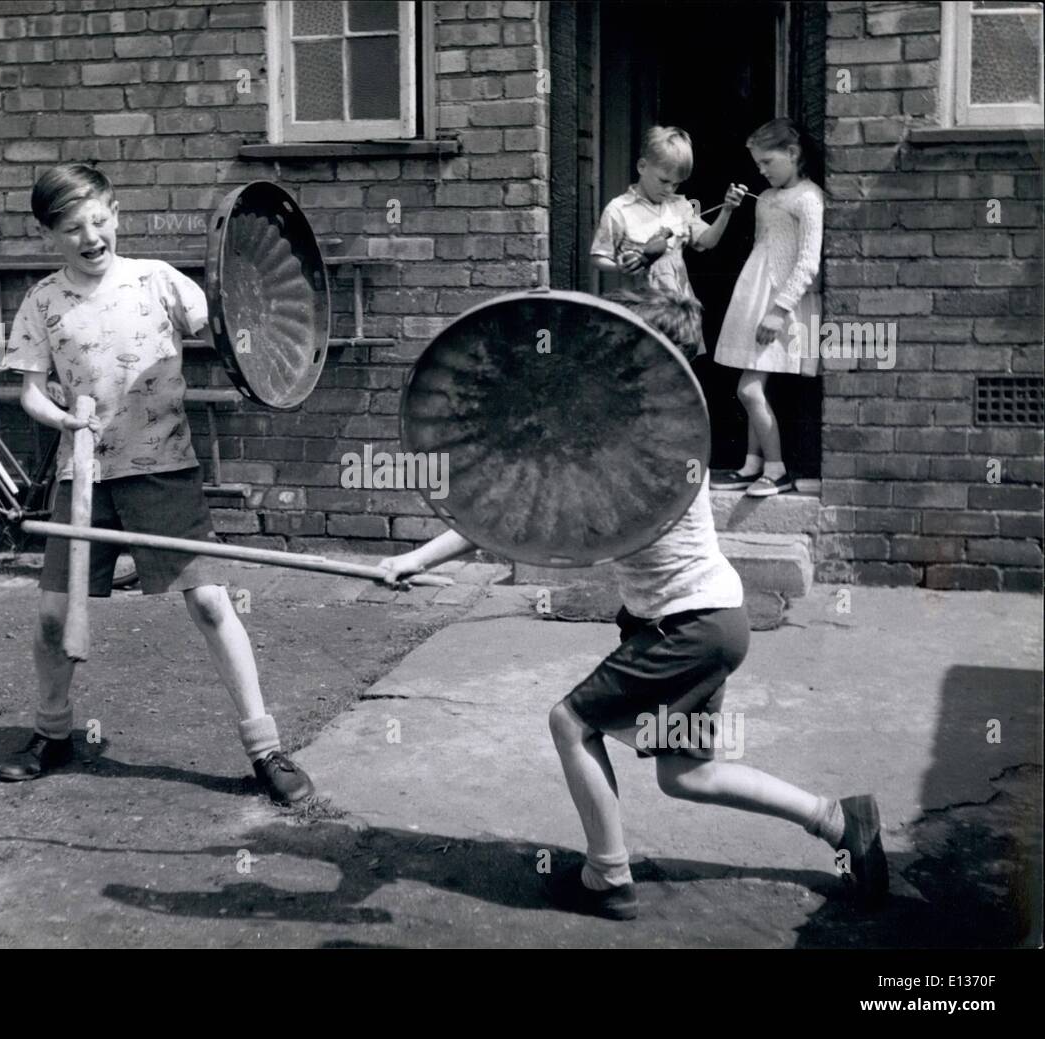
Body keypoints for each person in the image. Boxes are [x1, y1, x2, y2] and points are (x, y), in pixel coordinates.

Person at [377, 290, 888, 920]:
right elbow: (510, 508)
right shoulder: (641, 434)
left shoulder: (640, 450)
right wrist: (414, 562)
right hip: (711, 620)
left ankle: (607, 877)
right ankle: (841, 822)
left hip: (690, 626)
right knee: (688, 775)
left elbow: (513, 513)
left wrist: (420, 557)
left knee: (570, 723)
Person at [0, 163, 314, 805]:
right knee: (55, 618)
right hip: (83, 476)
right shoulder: (43, 302)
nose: (89, 237)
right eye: (71, 228)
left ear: (116, 213)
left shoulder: (157, 281)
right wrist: (62, 418)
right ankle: (52, 734)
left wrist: (273, 350)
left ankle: (266, 750)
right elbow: (30, 392)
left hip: (165, 468)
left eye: (97, 220)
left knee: (210, 603)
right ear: (50, 234)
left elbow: (235, 326)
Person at [712, 118, 824, 497]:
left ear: (792, 154)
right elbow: (764, 247)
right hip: (755, 297)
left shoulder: (809, 198)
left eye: (767, 162)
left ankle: (776, 471)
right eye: (758, 164)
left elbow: (808, 262)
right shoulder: (770, 197)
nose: (761, 170)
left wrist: (779, 310)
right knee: (752, 381)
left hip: (780, 305)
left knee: (749, 389)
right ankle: (751, 464)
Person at [590, 126, 745, 355]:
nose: (669, 189)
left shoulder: (681, 206)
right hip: (641, 307)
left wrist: (727, 210)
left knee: (678, 366)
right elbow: (598, 257)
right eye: (664, 181)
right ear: (642, 166)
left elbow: (708, 241)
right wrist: (619, 265)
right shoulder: (619, 209)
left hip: (678, 311)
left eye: (676, 183)